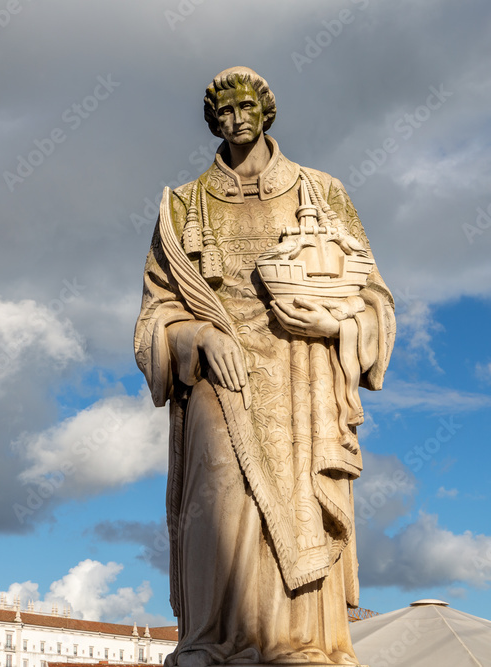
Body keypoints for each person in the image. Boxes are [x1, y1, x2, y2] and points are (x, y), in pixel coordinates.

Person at [134, 67, 395, 666]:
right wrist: (195, 335)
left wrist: (335, 328)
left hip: (301, 374)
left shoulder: (322, 192)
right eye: (223, 111)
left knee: (301, 501)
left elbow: (375, 297)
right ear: (213, 121)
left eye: (246, 105)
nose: (237, 118)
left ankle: (297, 642)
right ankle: (212, 638)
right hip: (214, 377)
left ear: (266, 111)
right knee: (219, 501)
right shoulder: (182, 205)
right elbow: (154, 313)